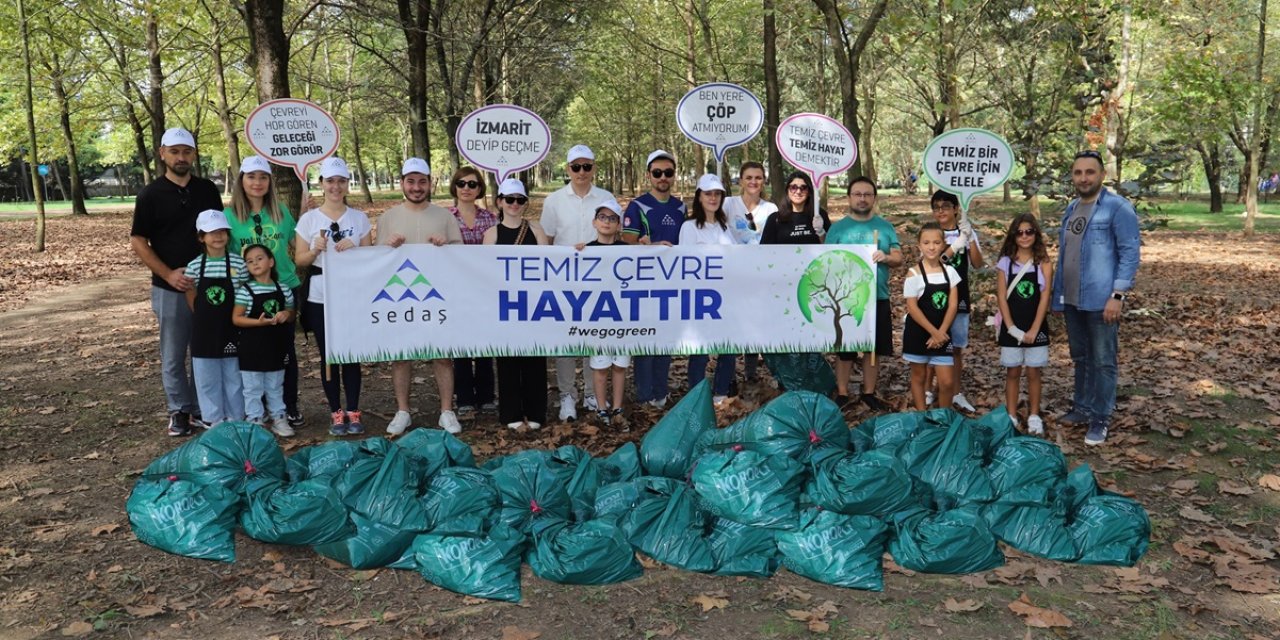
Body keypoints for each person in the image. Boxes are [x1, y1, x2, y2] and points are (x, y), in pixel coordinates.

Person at [129, 127, 224, 436]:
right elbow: (139, 240)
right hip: (170, 285)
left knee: (205, 347)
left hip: (208, 282)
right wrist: (168, 273)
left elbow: (219, 232)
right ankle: (179, 410)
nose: (181, 157)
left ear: (193, 154)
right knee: (173, 352)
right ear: (162, 153)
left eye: (186, 152)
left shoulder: (207, 190)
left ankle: (201, 408)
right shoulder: (150, 194)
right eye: (174, 151)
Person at [1052, 150, 1141, 446]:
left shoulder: (1117, 208)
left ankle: (1100, 416)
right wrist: (1058, 297)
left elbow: (1129, 253)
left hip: (1102, 299)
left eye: (1090, 172)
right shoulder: (1072, 208)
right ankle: (1082, 407)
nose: (1083, 178)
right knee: (1080, 357)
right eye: (1078, 173)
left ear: (1102, 175)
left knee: (1103, 360)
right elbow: (1066, 255)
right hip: (1073, 298)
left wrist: (1117, 295)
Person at [376, 157, 465, 435]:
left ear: (430, 184)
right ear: (402, 183)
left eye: (422, 181)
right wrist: (389, 247)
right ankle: (403, 411)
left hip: (437, 297)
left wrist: (445, 244)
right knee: (402, 356)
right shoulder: (387, 218)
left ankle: (446, 411)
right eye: (411, 181)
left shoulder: (445, 216)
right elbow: (375, 261)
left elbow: (461, 255)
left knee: (442, 356)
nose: (416, 187)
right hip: (400, 297)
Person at [293, 157, 373, 436]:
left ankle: (353, 409)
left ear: (347, 185)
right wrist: (315, 249)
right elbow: (300, 260)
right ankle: (336, 412)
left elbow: (370, 259)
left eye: (341, 181)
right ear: (321, 184)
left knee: (350, 353)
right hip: (320, 294)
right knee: (328, 354)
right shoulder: (309, 219)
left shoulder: (359, 218)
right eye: (330, 181)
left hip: (350, 293)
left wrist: (357, 248)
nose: (336, 187)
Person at [224, 155, 305, 430]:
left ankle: (287, 408)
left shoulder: (281, 211)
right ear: (241, 180)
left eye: (262, 177)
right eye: (251, 177)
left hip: (283, 287)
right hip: (247, 292)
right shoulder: (229, 216)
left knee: (284, 351)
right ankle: (255, 413)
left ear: (269, 181)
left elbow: (299, 244)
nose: (257, 183)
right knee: (252, 351)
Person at [541, 144, 614, 421]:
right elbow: (547, 240)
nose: (581, 172)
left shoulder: (606, 197)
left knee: (594, 336)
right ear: (568, 169)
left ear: (594, 168)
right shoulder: (554, 201)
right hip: (565, 279)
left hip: (599, 278)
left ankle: (592, 392)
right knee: (567, 339)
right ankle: (567, 395)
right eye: (576, 167)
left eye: (587, 166)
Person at [823, 176, 902, 410]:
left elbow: (898, 257)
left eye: (867, 194)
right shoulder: (838, 229)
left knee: (872, 349)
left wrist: (886, 257)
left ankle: (869, 392)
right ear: (849, 197)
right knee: (845, 350)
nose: (862, 198)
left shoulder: (885, 227)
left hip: (877, 296)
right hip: (845, 299)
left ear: (874, 198)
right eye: (857, 194)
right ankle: (843, 392)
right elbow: (826, 261)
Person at [483, 178, 549, 430]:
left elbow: (549, 268)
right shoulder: (491, 234)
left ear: (525, 203)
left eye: (519, 200)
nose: (514, 204)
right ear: (500, 201)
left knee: (534, 359)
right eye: (509, 199)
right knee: (508, 360)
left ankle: (536, 411)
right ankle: (511, 413)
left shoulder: (537, 231)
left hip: (533, 304)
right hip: (504, 304)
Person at [623, 150, 686, 409]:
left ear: (674, 176)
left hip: (671, 282)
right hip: (644, 281)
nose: (663, 177)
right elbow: (627, 237)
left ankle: (660, 390)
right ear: (649, 175)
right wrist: (643, 242)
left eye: (668, 173)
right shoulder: (637, 206)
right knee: (646, 336)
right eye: (657, 173)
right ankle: (644, 393)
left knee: (665, 336)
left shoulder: (680, 206)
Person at [183, 209, 247, 428]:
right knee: (206, 377)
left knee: (233, 375)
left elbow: (244, 293)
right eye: (212, 232)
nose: (218, 236)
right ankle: (213, 419)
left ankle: (236, 417)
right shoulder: (194, 266)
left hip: (232, 327)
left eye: (222, 231)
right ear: (201, 237)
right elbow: (190, 292)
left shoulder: (239, 264)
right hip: (204, 330)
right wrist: (201, 314)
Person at [679, 174, 738, 405]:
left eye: (717, 194)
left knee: (728, 346)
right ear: (699, 197)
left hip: (727, 296)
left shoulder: (725, 227)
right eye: (708, 193)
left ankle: (721, 392)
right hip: (701, 297)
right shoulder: (689, 227)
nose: (713, 198)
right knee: (700, 349)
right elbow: (685, 263)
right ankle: (697, 396)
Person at [448, 166, 499, 416]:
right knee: (461, 344)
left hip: (484, 288)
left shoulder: (491, 219)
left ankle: (487, 395)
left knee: (485, 343)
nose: (466, 188)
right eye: (461, 183)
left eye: (472, 184)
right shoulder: (444, 217)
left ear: (480, 188)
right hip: (455, 289)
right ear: (454, 186)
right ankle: (465, 397)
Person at [995, 214, 1052, 435]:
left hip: (1035, 326)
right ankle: (1010, 414)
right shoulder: (1005, 263)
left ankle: (1034, 415)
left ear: (1036, 234)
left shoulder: (1044, 262)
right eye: (1019, 232)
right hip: (1012, 326)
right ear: (1013, 235)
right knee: (1012, 371)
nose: (1024, 236)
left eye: (1029, 231)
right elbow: (1001, 296)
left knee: (1034, 372)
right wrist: (1011, 328)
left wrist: (1034, 329)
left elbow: (1045, 297)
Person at [928, 189, 983, 412]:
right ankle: (930, 390)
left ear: (956, 209)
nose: (941, 211)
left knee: (957, 347)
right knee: (934, 342)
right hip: (934, 297)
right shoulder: (932, 233)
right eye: (936, 207)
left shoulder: (966, 231)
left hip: (960, 295)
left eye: (946, 207)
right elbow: (935, 261)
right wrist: (957, 242)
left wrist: (969, 240)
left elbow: (978, 264)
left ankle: (956, 392)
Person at [232, 243, 295, 437]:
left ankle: (279, 418)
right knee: (252, 388)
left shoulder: (283, 289)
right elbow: (236, 318)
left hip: (275, 347)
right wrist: (257, 323)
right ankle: (255, 420)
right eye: (250, 261)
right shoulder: (245, 291)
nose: (255, 263)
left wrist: (286, 313)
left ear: (271, 262)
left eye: (259, 258)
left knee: (275, 385)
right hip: (252, 348)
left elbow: (292, 312)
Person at [723, 161, 777, 382]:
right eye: (749, 177)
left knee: (755, 322)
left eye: (758, 177)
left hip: (760, 275)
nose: (753, 182)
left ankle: (750, 373)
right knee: (732, 322)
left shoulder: (770, 209)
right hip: (731, 273)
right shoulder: (727, 204)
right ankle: (728, 376)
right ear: (741, 181)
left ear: (763, 180)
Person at [580, 198, 630, 428]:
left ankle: (618, 408)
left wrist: (657, 246)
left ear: (618, 224)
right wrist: (575, 253)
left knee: (620, 365)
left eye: (612, 218)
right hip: (598, 317)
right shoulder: (586, 249)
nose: (607, 222)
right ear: (594, 222)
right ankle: (601, 408)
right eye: (602, 217)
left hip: (624, 317)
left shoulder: (627, 251)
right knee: (600, 368)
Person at [902, 222, 960, 410]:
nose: (931, 247)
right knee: (918, 377)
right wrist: (933, 332)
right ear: (920, 245)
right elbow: (912, 308)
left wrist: (940, 333)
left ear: (943, 244)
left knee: (947, 382)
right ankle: (922, 416)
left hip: (943, 335)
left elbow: (952, 305)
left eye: (936, 242)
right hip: (918, 333)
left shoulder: (950, 272)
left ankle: (944, 417)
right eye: (926, 242)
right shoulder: (913, 274)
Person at [759, 171, 830, 245]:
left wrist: (821, 232)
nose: (798, 191)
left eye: (803, 187)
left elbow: (830, 247)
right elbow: (765, 250)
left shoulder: (819, 215)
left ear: (809, 192)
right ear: (787, 190)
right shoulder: (774, 219)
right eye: (793, 187)